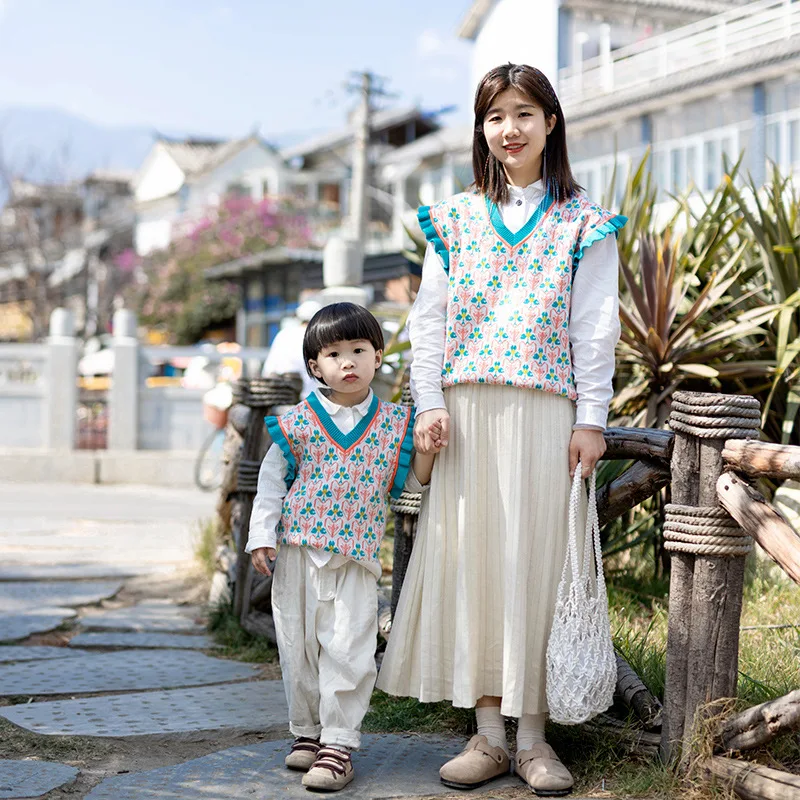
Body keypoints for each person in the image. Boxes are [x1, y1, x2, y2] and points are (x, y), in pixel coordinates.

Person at [376, 63, 626, 796]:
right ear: (481, 130)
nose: (509, 129)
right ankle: (487, 738)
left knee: (538, 569)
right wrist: (427, 402)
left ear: (551, 122)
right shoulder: (452, 220)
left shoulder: (585, 221)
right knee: (476, 566)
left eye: (523, 113)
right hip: (465, 417)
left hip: (547, 415)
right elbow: (428, 326)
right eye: (494, 117)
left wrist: (592, 420)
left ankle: (537, 741)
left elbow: (596, 332)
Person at [246, 302, 435, 792]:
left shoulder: (396, 425)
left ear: (378, 356)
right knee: (297, 646)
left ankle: (338, 743)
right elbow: (271, 482)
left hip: (355, 557)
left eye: (359, 349)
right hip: (296, 553)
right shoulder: (297, 423)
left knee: (350, 648)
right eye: (334, 353)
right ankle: (306, 733)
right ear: (316, 367)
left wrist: (429, 450)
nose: (348, 361)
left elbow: (412, 483)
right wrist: (261, 536)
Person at [262, 299, 323, 398]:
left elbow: (269, 369)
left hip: (284, 397)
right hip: (313, 397)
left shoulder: (284, 334)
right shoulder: (319, 337)